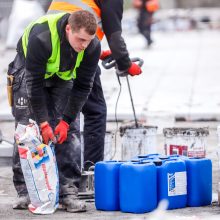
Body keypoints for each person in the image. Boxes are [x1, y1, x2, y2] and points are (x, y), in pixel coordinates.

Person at [8, 10, 100, 212]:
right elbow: (34, 84)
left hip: (62, 75)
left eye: (88, 40)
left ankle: (68, 191)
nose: (83, 45)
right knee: (27, 131)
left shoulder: (92, 46)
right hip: (28, 70)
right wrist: (42, 122)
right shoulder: (42, 37)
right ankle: (26, 191)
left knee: (70, 132)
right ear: (69, 28)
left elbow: (84, 87)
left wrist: (65, 121)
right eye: (80, 39)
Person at [47, 0, 143, 171]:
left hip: (50, 48)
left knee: (56, 112)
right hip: (74, 53)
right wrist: (126, 64)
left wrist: (96, 52)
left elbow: (69, 25)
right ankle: (91, 172)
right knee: (94, 110)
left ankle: (52, 170)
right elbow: (114, 36)